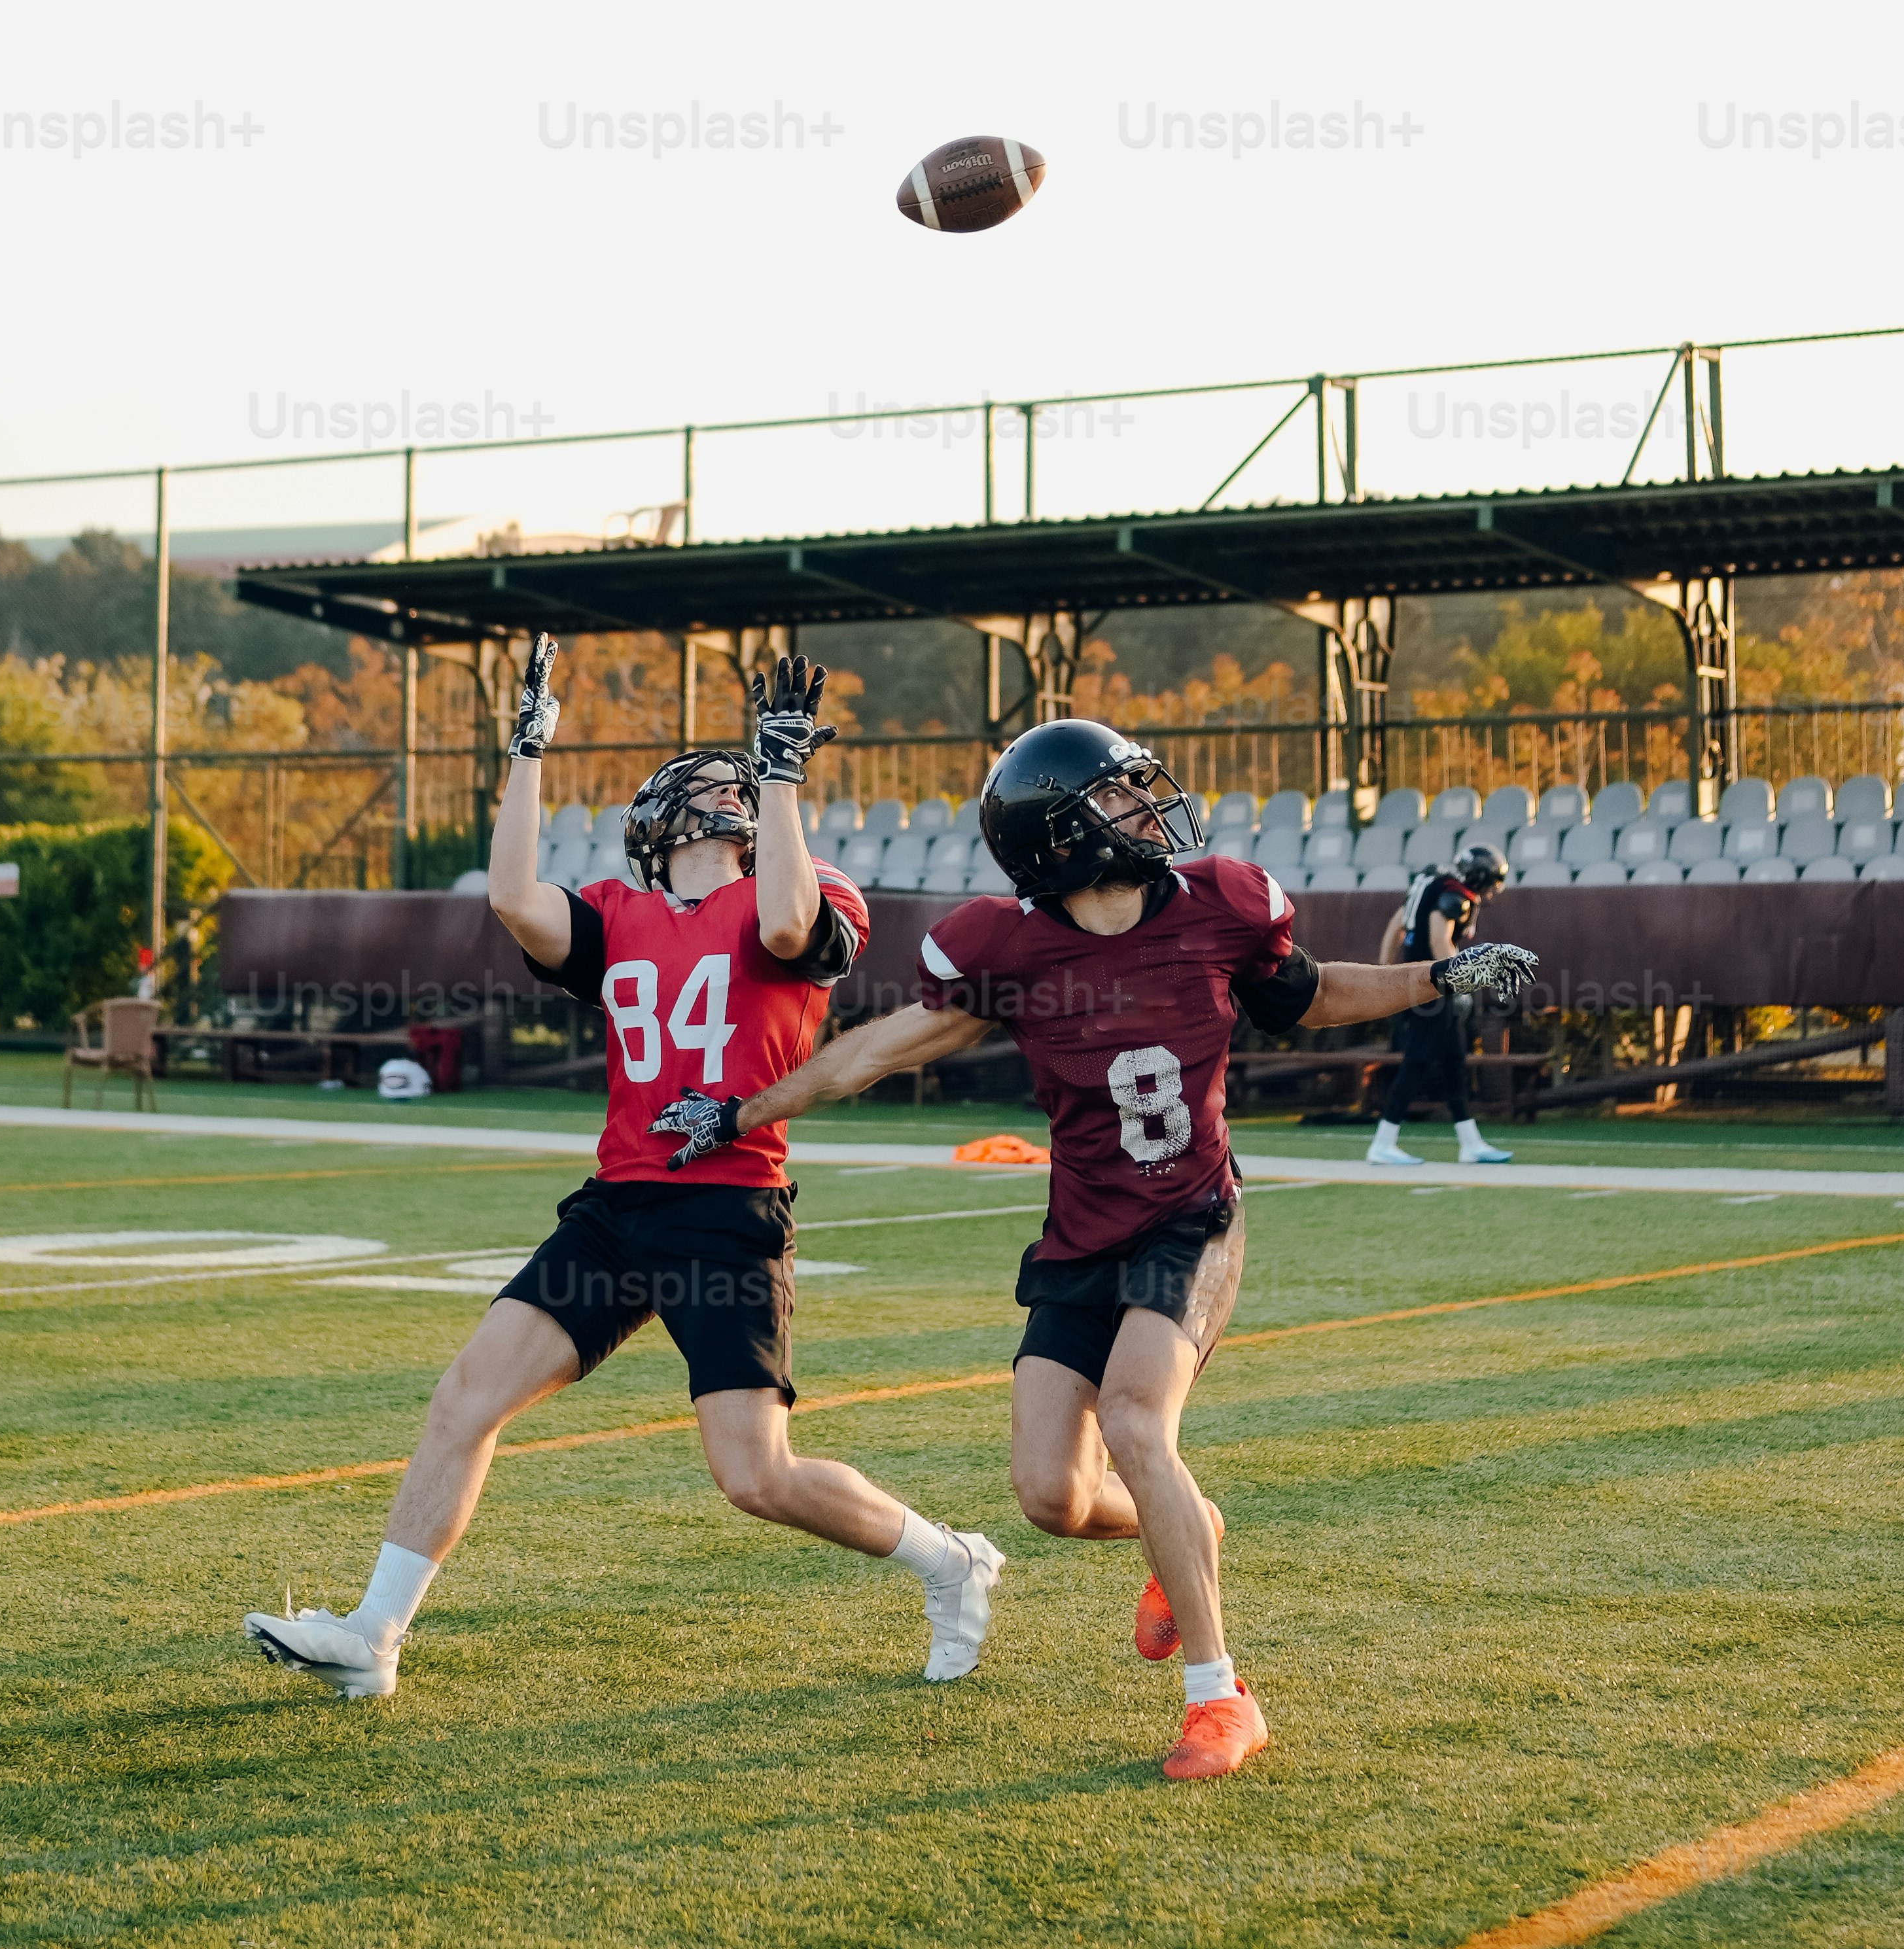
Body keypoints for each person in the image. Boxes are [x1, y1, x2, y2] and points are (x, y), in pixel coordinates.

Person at [649, 721, 1537, 1782]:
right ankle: (1187, 1526)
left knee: (1131, 1420)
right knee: (1049, 1498)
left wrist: (1439, 976)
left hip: (1189, 1218)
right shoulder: (1010, 948)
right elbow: (870, 1052)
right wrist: (743, 1110)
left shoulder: (1217, 906)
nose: (1144, 808)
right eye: (1115, 799)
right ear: (1059, 838)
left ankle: (1219, 1694)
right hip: (1079, 1234)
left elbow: (1308, 995)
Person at [243, 637, 1006, 1703]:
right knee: (463, 1398)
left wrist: (782, 775)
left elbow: (788, 922)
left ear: (710, 816)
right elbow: (512, 895)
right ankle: (373, 1634)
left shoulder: (796, 884)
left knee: (754, 1475)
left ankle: (948, 1557)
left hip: (725, 1211)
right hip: (615, 1206)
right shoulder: (619, 912)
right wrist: (524, 749)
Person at [1368, 839, 1514, 1168]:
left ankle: (1470, 1142)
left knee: (1454, 1062)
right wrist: (1460, 984)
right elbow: (1439, 941)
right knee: (1418, 1059)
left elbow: (1397, 924)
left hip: (1418, 981)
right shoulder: (1453, 896)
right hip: (1432, 986)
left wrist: (1384, 969)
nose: (1492, 891)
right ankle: (1383, 1141)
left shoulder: (1431, 882)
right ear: (1479, 878)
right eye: (1490, 883)